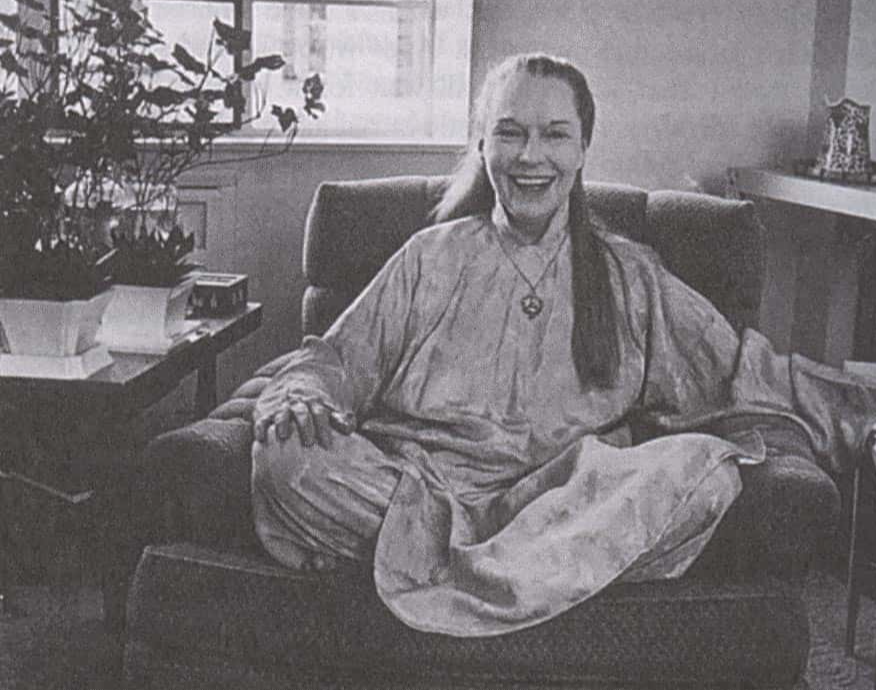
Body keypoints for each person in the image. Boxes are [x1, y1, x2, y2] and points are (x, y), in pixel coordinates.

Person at [251, 52, 876, 637]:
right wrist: (301, 392)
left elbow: (742, 370)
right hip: (419, 493)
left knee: (704, 474)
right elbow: (335, 360)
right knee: (288, 457)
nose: (531, 157)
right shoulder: (429, 257)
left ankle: (439, 571)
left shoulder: (628, 273)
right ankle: (528, 576)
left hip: (566, 504)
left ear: (582, 149)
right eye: (510, 133)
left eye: (554, 134)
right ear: (481, 144)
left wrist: (859, 410)